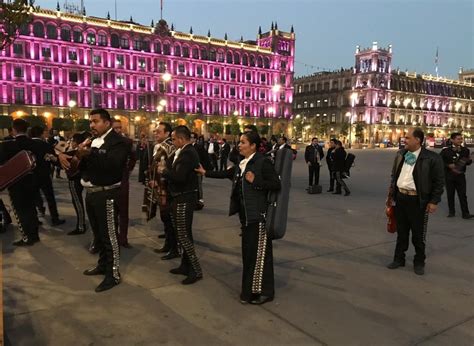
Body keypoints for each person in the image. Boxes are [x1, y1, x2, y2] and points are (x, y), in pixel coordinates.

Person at [196, 131, 281, 305]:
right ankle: (249, 291)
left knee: (260, 256)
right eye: (240, 142)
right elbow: (226, 174)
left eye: (243, 142)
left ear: (253, 146)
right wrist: (206, 173)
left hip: (258, 216)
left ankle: (265, 291)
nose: (239, 145)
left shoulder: (262, 162)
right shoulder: (242, 164)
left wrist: (255, 180)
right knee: (249, 255)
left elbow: (276, 184)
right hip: (246, 218)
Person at [59, 108, 130, 292]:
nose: (92, 125)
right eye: (90, 121)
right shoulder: (89, 141)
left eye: (95, 121)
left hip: (106, 193)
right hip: (91, 193)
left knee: (110, 236)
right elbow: (78, 163)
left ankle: (113, 274)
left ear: (106, 122)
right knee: (98, 234)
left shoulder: (119, 142)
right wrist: (71, 156)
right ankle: (102, 265)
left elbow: (114, 164)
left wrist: (90, 153)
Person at [386, 128, 444, 275]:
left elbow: (439, 182)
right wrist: (392, 194)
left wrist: (433, 201)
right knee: (402, 232)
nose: (404, 139)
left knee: (418, 234)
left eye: (407, 137)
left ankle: (419, 262)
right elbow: (395, 174)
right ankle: (399, 259)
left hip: (418, 200)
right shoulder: (401, 154)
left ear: (418, 140)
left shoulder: (431, 158)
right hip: (401, 198)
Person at [161, 125, 202, 285]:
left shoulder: (188, 153)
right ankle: (185, 265)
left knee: (184, 235)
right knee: (181, 233)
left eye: (173, 139)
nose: (172, 141)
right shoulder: (181, 152)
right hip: (178, 197)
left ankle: (195, 270)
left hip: (185, 198)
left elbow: (179, 177)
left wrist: (164, 171)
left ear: (181, 139)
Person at [0, 119, 41, 246]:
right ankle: (34, 235)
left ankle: (27, 237)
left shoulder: (7, 145)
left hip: (16, 183)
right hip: (33, 181)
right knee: (31, 208)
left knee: (20, 211)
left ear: (14, 129)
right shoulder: (35, 144)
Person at [148, 122, 179, 260]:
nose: (155, 133)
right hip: (159, 186)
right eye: (155, 131)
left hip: (166, 187)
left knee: (169, 217)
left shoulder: (169, 147)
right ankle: (168, 243)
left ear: (167, 133)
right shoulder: (159, 146)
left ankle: (174, 247)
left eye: (158, 131)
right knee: (165, 216)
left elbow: (171, 168)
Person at [30, 126, 66, 226]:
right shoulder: (45, 145)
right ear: (41, 133)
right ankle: (55, 218)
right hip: (44, 174)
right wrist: (60, 164)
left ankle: (36, 217)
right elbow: (52, 158)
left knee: (34, 196)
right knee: (50, 197)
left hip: (31, 175)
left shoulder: (28, 144)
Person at [112, 119, 137, 248]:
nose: (118, 130)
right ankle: (113, 236)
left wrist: (128, 170)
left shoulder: (127, 142)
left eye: (119, 128)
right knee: (111, 211)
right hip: (109, 181)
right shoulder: (106, 142)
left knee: (123, 211)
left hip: (122, 180)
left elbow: (133, 157)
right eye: (115, 128)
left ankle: (123, 238)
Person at [440, 132, 473, 219]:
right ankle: (452, 212)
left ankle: (465, 213)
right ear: (452, 140)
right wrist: (448, 165)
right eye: (458, 139)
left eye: (461, 139)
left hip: (460, 176)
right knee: (450, 194)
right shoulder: (445, 151)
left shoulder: (465, 150)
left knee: (462, 195)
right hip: (449, 176)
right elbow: (439, 162)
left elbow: (468, 162)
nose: (460, 140)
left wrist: (469, 160)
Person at [66, 132, 88, 235]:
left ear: (75, 142)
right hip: (82, 179)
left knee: (77, 202)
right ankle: (82, 224)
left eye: (72, 141)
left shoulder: (75, 152)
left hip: (74, 180)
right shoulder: (83, 151)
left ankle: (81, 226)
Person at [191, 132, 212, 210]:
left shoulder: (199, 147)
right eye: (190, 137)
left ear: (195, 139)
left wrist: (204, 169)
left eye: (192, 137)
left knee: (198, 186)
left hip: (198, 170)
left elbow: (204, 158)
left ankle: (199, 202)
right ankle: (193, 202)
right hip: (191, 171)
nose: (191, 139)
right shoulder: (188, 147)